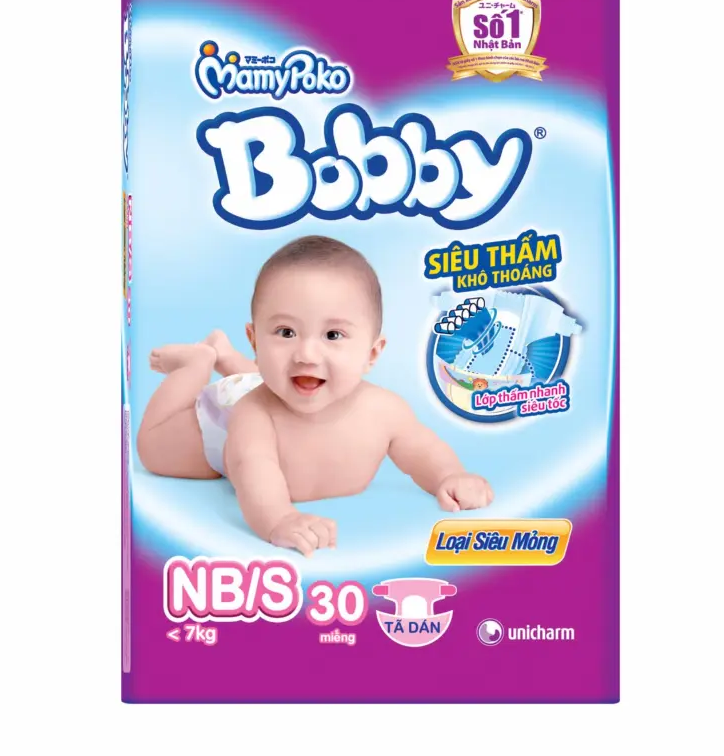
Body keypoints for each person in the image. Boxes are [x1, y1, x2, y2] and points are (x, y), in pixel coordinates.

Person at [137, 236, 493, 556]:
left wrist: (449, 475)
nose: (307, 353)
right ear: (255, 341)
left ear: (371, 353)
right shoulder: (253, 415)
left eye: (333, 335)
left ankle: (228, 357)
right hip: (222, 417)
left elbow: (422, 448)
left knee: (281, 375)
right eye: (286, 332)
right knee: (153, 448)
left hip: (269, 380)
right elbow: (252, 469)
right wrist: (279, 518)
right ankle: (195, 364)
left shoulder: (384, 411)